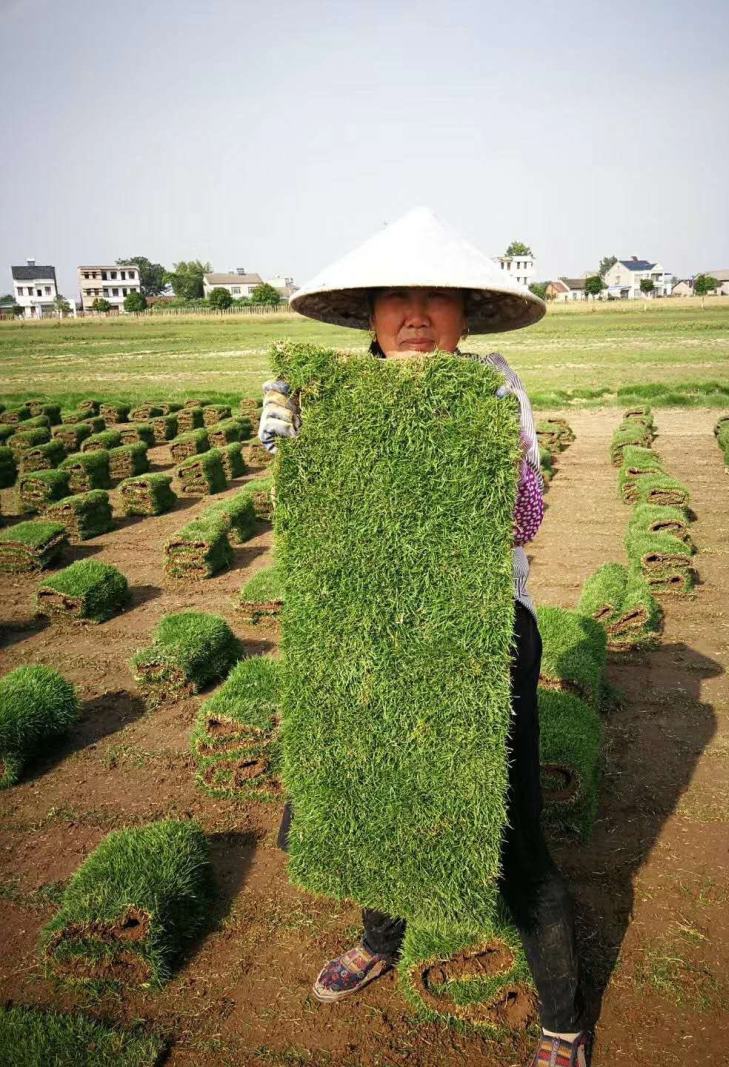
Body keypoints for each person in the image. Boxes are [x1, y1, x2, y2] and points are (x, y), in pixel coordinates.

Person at [258, 208, 590, 1067]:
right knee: (367, 789)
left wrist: (496, 458)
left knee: (510, 830)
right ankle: (379, 936)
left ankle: (562, 1016)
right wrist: (287, 436)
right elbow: (303, 517)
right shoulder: (328, 398)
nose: (414, 315)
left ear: (465, 314)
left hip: (474, 643)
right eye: (396, 298)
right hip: (362, 636)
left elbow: (526, 519)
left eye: (434, 299)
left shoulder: (491, 389)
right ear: (369, 314)